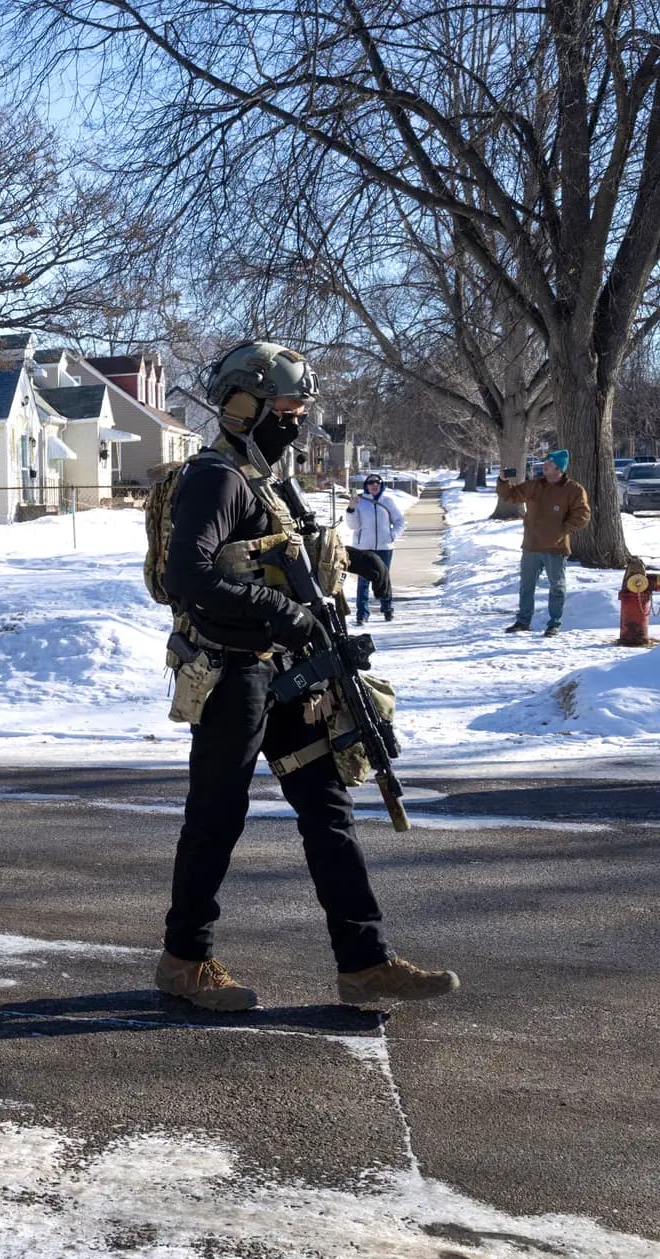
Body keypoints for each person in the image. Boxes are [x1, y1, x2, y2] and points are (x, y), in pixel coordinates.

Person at [156, 340, 459, 1011]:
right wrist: (278, 612)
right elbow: (190, 575)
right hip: (233, 674)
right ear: (244, 406)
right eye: (287, 409)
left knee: (328, 809)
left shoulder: (264, 475)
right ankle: (184, 958)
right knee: (216, 816)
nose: (297, 422)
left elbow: (286, 547)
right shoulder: (217, 477)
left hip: (290, 674)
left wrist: (355, 561)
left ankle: (365, 962)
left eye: (300, 410)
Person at [498, 449, 592, 637]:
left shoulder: (573, 489)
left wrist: (561, 530)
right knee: (526, 586)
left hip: (555, 547)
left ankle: (554, 624)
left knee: (557, 586)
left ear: (559, 467)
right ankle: (523, 621)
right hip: (531, 545)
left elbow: (583, 515)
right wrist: (502, 481)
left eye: (549, 462)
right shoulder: (535, 485)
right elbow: (511, 495)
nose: (545, 464)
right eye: (546, 461)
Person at [344, 473, 405, 623]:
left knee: (383, 579)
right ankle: (362, 615)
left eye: (377, 482)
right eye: (371, 483)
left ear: (381, 484)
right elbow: (353, 526)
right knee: (363, 581)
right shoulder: (359, 502)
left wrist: (392, 535)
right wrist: (351, 509)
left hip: (384, 547)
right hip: (363, 548)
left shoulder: (388, 501)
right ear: (366, 486)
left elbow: (400, 521)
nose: (374, 485)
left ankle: (387, 609)